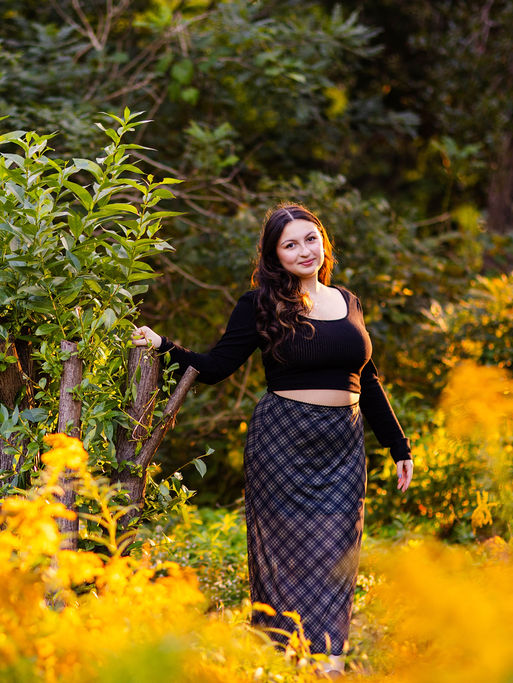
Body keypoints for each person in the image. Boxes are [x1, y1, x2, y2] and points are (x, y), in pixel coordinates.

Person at [131, 203, 414, 676]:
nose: (304, 250)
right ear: (274, 255)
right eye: (290, 244)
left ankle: (331, 663)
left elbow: (370, 379)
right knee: (284, 554)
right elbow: (217, 366)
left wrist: (398, 446)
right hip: (282, 442)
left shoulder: (348, 300)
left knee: (336, 554)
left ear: (323, 241)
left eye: (310, 238)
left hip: (343, 447)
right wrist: (165, 347)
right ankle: (286, 661)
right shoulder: (260, 303)